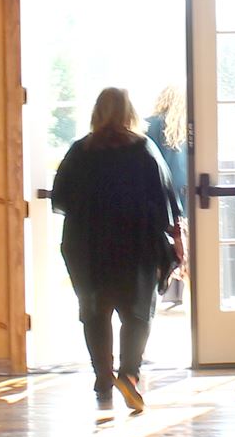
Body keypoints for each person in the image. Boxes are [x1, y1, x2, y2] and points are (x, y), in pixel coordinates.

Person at [49, 86, 179, 416]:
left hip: (88, 247)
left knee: (95, 313)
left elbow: (60, 200)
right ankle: (129, 374)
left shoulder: (80, 151)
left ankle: (102, 378)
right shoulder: (144, 149)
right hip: (136, 246)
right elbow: (165, 202)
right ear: (129, 113)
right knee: (137, 314)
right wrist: (175, 241)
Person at [144, 86, 191, 308]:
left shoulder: (148, 126)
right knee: (189, 254)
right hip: (186, 198)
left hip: (158, 200)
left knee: (160, 250)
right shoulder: (187, 126)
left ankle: (162, 290)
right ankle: (192, 297)